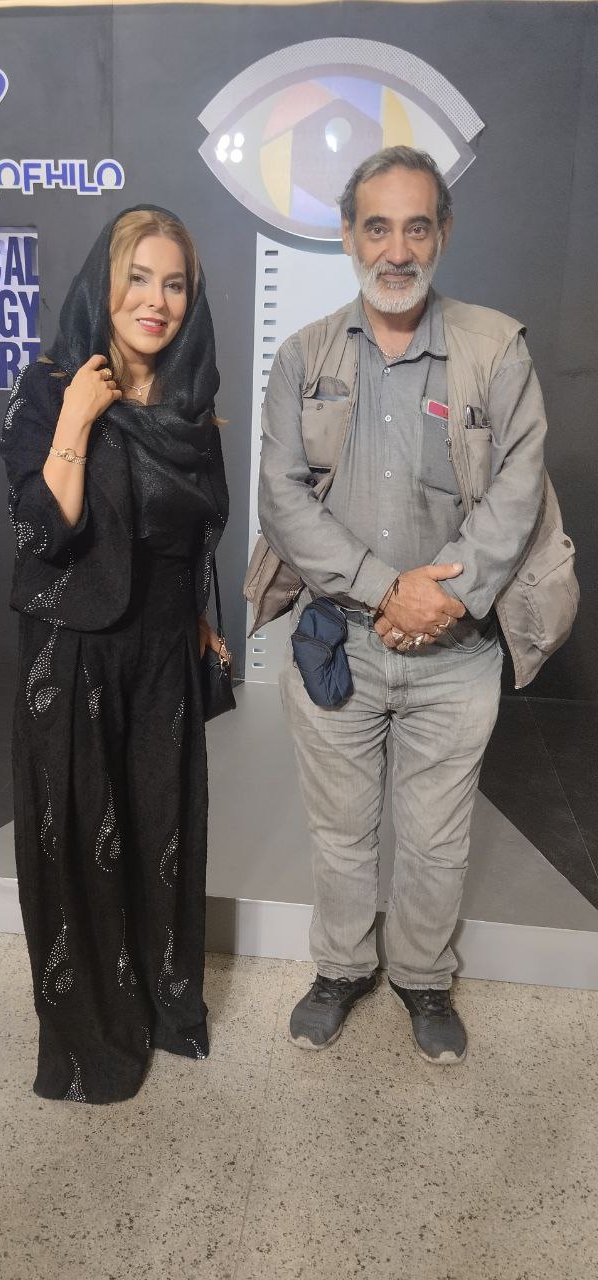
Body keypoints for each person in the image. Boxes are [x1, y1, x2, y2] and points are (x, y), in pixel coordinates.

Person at [257, 146, 577, 1065]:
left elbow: (518, 489)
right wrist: (383, 590)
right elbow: (282, 498)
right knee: (342, 834)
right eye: (377, 227)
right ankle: (341, 970)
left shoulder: (496, 349)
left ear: (443, 233)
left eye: (416, 227)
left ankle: (425, 979)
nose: (396, 250)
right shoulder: (302, 356)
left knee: (436, 841)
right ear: (348, 236)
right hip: (339, 645)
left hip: (457, 652)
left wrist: (444, 597)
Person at [0, 207, 228, 1103]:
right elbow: (42, 531)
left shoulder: (190, 406)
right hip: (75, 656)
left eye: (174, 284)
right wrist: (77, 417)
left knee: (161, 830)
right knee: (79, 843)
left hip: (162, 656)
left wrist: (199, 621)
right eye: (138, 277)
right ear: (106, 284)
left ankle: (164, 1002)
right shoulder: (51, 385)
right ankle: (93, 1033)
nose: (155, 301)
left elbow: (193, 536)